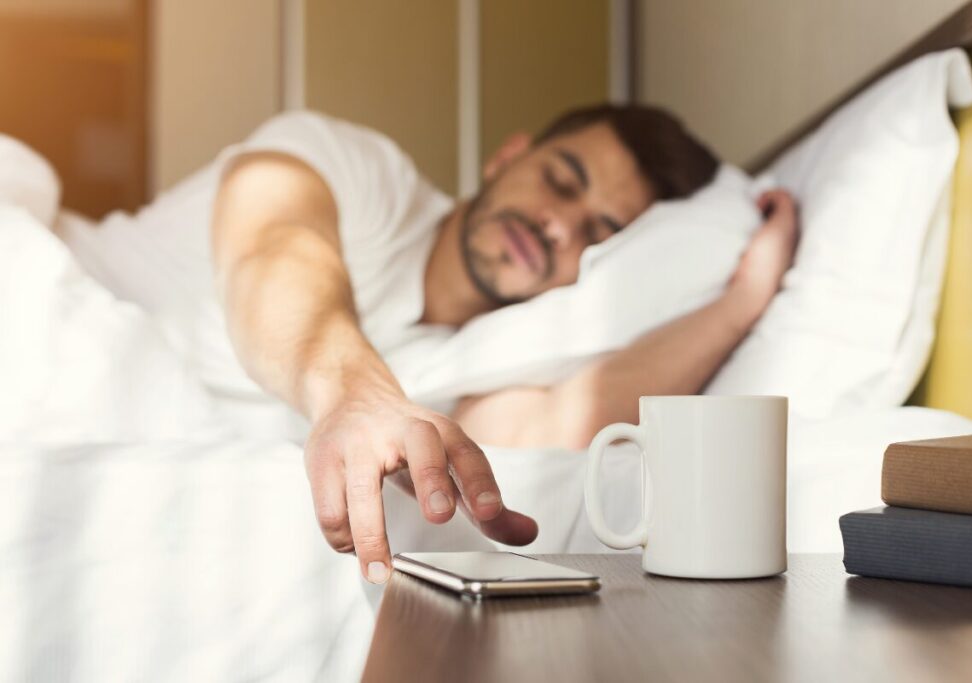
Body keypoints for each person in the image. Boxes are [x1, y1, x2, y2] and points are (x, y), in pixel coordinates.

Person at [210, 104, 798, 584]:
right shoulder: (353, 168)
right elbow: (274, 252)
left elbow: (552, 425)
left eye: (597, 232)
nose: (559, 225)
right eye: (560, 181)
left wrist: (743, 299)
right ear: (508, 156)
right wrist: (356, 396)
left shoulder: (485, 356)